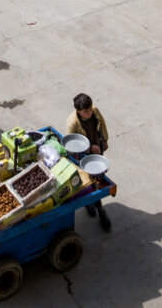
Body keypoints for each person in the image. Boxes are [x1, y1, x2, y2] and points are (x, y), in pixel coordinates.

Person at [65, 92, 110, 231]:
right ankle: (100, 209)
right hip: (83, 157)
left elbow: (102, 124)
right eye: (86, 111)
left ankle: (94, 205)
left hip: (98, 150)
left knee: (98, 179)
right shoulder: (72, 123)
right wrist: (90, 148)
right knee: (90, 182)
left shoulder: (95, 111)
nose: (90, 112)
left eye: (90, 108)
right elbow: (72, 146)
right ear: (78, 111)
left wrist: (104, 140)